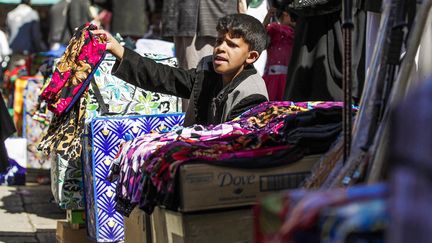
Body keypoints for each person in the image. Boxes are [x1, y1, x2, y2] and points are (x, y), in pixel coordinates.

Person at [93, 14, 269, 126]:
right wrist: (117, 49)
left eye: (232, 45)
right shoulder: (208, 72)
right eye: (219, 41)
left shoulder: (251, 96)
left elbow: (236, 143)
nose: (221, 48)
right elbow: (165, 77)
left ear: (251, 56)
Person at [262, 5, 296, 101]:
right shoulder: (275, 29)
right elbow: (261, 36)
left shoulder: (297, 32)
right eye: (292, 16)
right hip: (273, 77)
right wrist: (268, 17)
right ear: (285, 15)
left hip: (287, 76)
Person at [6, 0, 46, 69]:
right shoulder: (32, 14)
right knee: (25, 77)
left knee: (12, 76)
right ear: (29, 2)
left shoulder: (11, 14)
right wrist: (42, 51)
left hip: (13, 53)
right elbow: (36, 36)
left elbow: (7, 34)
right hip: (27, 55)